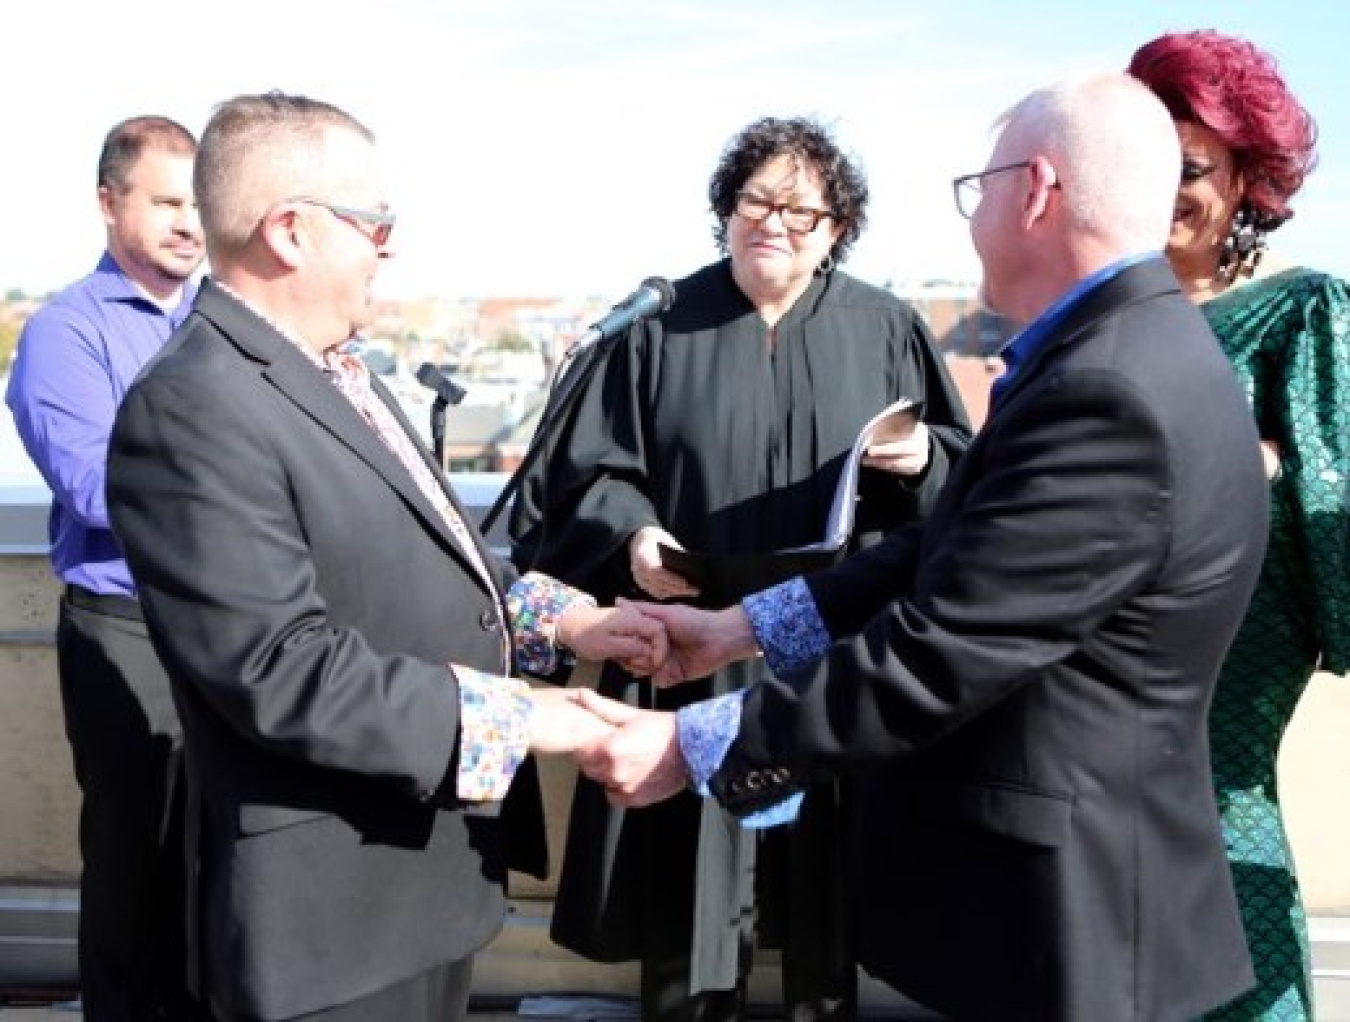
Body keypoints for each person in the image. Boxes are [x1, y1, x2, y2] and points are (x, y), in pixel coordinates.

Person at [569, 72, 1272, 1022]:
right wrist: (737, 629)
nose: (972, 217)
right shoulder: (1127, 352)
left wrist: (692, 742)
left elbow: (945, 644)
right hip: (1071, 902)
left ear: (1036, 191)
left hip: (1080, 923)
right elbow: (948, 549)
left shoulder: (1109, 392)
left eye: (979, 191)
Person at [103, 91, 665, 1022]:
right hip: (331, 925)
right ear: (290, 230)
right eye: (375, 222)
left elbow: (430, 558)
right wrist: (533, 718)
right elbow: (280, 669)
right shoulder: (193, 407)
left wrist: (572, 619)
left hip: (423, 880)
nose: (389, 245)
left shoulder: (334, 371)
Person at [509, 116, 971, 1022]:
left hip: (829, 644)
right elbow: (589, 474)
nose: (776, 223)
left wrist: (916, 459)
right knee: (685, 886)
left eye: (804, 211)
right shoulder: (657, 324)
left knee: (826, 884)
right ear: (725, 211)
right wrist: (634, 534)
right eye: (758, 201)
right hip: (688, 639)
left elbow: (963, 477)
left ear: (837, 228)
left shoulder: (887, 326)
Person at [1128, 30, 1350, 1022]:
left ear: (1247, 177)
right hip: (1083, 672)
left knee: (1223, 840)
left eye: (1192, 165)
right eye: (1143, 162)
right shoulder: (1094, 320)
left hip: (1224, 666)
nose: (1165, 186)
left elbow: (1328, 500)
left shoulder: (1300, 310)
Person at [5, 114, 204, 1022]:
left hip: (231, 627)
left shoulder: (223, 321)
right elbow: (98, 488)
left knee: (218, 858)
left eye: (198, 201)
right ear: (107, 202)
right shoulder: (64, 334)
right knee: (135, 868)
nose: (189, 223)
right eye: (166, 201)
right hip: (126, 631)